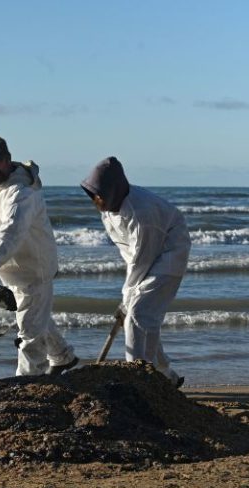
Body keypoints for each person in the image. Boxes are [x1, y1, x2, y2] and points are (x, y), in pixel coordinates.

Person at [0, 136, 78, 376]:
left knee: (28, 330)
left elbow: (11, 234)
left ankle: (29, 380)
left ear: (8, 161)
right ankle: (62, 357)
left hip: (34, 268)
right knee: (35, 316)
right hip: (11, 269)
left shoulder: (22, 193)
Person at [81, 156, 190, 386]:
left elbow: (142, 260)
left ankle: (139, 381)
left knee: (138, 314)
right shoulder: (109, 206)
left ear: (113, 189)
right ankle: (164, 375)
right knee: (145, 315)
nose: (96, 198)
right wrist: (128, 295)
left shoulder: (142, 215)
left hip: (170, 251)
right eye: (93, 193)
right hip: (145, 254)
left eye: (99, 193)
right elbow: (131, 254)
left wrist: (127, 298)